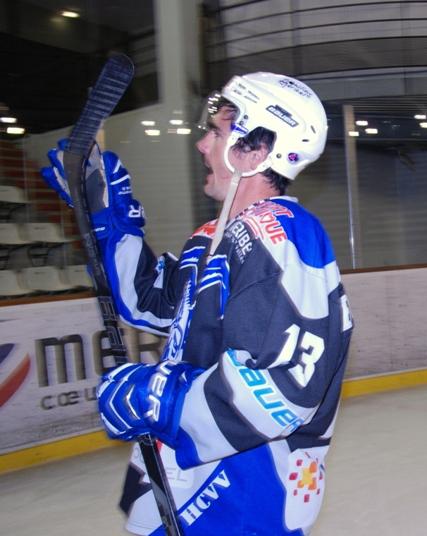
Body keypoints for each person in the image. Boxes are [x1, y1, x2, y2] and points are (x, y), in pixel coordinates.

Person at [42, 72, 353, 535]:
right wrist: (107, 217)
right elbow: (148, 300)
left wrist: (160, 398)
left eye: (216, 133)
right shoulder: (213, 236)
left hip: (244, 493)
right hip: (186, 479)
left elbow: (284, 389)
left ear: (255, 151)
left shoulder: (282, 235)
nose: (202, 145)